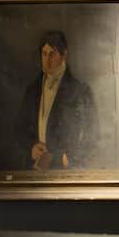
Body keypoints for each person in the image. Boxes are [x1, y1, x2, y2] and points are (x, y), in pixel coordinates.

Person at [13, 30, 99, 170]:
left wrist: (69, 159)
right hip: (34, 168)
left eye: (52, 54)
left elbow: (93, 134)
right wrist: (31, 147)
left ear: (64, 55)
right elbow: (19, 129)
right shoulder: (32, 90)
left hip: (64, 169)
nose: (47, 60)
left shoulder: (81, 91)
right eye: (44, 54)